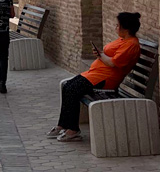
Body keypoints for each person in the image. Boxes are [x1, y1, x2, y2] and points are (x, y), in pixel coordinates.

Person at [48, 13, 142, 142]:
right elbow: (109, 57)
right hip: (95, 75)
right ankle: (63, 124)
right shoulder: (123, 40)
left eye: (117, 25)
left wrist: (100, 55)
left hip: (105, 79)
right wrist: (101, 54)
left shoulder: (131, 44)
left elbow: (112, 63)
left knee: (72, 90)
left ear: (125, 28)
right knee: (67, 86)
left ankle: (73, 130)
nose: (115, 27)